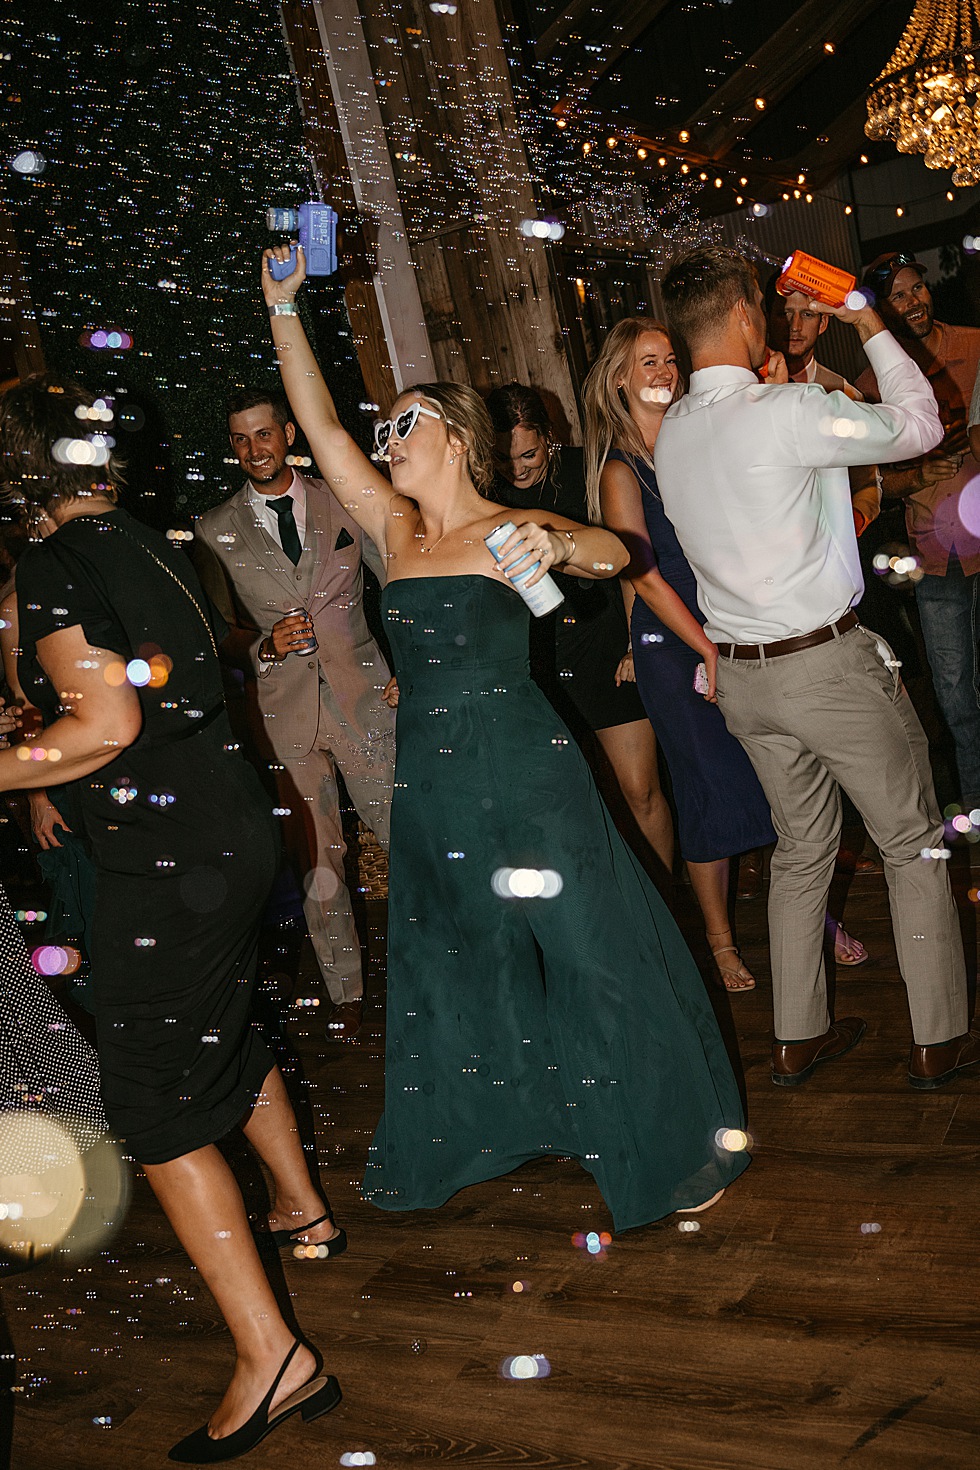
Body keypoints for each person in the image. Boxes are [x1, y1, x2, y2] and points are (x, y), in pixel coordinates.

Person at [263, 240, 750, 1230]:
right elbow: (319, 425)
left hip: (526, 768)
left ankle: (661, 1139)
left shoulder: (506, 526)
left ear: (456, 438)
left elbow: (615, 551)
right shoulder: (398, 533)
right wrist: (282, 309)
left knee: (587, 947)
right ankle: (491, 1125)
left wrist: (558, 540)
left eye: (406, 424)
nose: (387, 440)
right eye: (386, 429)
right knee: (457, 956)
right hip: (433, 783)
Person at [0, 374, 343, 1461]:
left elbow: (104, 725)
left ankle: (272, 1355)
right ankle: (303, 1208)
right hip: (228, 820)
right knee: (219, 1031)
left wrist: (13, 762)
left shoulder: (54, 564)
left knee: (149, 1103)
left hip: (171, 851)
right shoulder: (147, 540)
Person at [655, 245, 977, 1090]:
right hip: (822, 668)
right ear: (740, 314)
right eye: (760, 305)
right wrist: (863, 317)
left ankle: (796, 1036)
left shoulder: (673, 431)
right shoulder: (787, 410)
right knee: (911, 842)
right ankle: (938, 1037)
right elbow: (921, 426)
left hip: (743, 677)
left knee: (801, 850)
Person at [583, 317, 865, 993]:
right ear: (619, 378)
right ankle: (719, 942)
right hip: (678, 641)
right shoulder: (620, 469)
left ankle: (814, 919)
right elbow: (641, 575)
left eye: (670, 359)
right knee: (708, 788)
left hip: (733, 623)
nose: (665, 372)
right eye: (648, 362)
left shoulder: (693, 435)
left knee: (780, 778)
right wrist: (684, 647)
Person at [193, 389, 395, 1043]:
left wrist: (411, 668)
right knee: (319, 861)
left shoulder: (344, 499)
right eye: (240, 439)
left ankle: (448, 958)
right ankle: (346, 991)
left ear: (287, 434)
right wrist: (263, 645)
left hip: (366, 701)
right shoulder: (213, 529)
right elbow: (215, 634)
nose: (254, 449)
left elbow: (398, 583)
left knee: (408, 836)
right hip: (285, 717)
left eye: (263, 434)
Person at [486, 382, 673, 879]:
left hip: (603, 644)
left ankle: (667, 901)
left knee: (640, 791)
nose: (517, 469)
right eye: (505, 458)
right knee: (570, 802)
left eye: (528, 454)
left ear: (549, 436)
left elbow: (631, 559)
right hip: (536, 659)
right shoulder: (484, 491)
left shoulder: (587, 470)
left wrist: (635, 641)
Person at [855, 252, 980, 814]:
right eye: (898, 296)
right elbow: (875, 483)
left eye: (917, 288)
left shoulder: (975, 345)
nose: (914, 302)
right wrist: (918, 476)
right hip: (936, 555)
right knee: (955, 696)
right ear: (881, 311)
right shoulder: (869, 384)